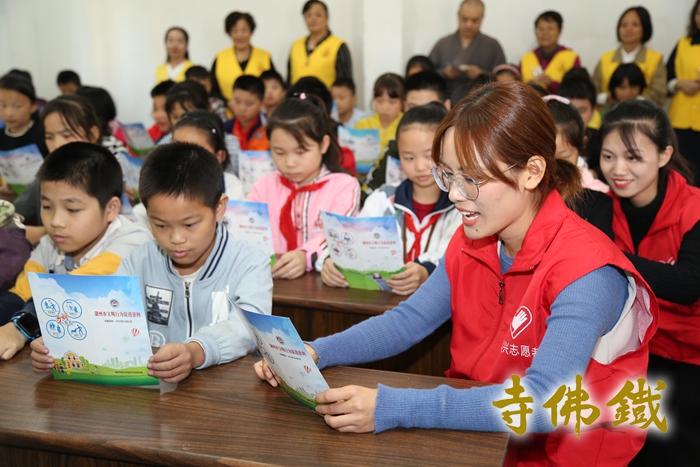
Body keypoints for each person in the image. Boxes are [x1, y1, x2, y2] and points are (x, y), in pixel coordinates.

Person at [256, 81, 659, 465]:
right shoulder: (473, 239)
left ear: (532, 172)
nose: (453, 194)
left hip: (560, 455)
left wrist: (391, 406)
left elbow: (542, 402)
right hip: (478, 432)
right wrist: (316, 352)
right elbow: (409, 320)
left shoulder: (587, 271)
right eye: (447, 174)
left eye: (472, 179)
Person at [31, 143, 272, 383]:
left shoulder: (250, 264)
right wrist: (63, 344)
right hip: (156, 392)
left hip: (227, 393)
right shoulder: (138, 261)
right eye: (161, 225)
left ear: (219, 208)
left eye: (190, 224)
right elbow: (108, 318)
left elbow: (248, 329)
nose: (176, 239)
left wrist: (195, 351)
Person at [597, 100, 700, 466]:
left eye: (633, 157)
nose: (618, 170)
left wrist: (612, 257)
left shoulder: (693, 208)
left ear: (664, 155)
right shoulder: (600, 207)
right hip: (632, 351)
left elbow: (689, 284)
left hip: (689, 354)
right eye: (608, 157)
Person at [0, 142, 151, 359]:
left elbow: (71, 293)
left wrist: (18, 329)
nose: (56, 221)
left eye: (72, 209)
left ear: (111, 209)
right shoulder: (51, 243)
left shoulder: (132, 244)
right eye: (47, 206)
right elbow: (21, 293)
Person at [322, 103, 460, 296]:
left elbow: (455, 254)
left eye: (429, 155)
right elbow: (353, 237)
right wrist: (331, 261)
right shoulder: (383, 198)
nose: (420, 166)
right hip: (382, 299)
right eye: (409, 158)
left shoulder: (460, 203)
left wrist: (425, 271)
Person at [247, 96, 360, 280]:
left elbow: (339, 233)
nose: (290, 163)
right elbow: (246, 234)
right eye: (279, 152)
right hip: (271, 283)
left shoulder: (344, 186)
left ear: (323, 145)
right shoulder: (263, 187)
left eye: (301, 152)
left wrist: (305, 255)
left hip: (324, 285)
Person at [133, 110, 245, 228]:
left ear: (219, 157)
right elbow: (138, 215)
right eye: (177, 150)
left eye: (196, 152)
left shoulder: (231, 186)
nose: (184, 159)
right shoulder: (162, 183)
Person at [362, 71, 450, 203]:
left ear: (447, 106)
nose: (419, 116)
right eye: (413, 108)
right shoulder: (393, 149)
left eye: (430, 109)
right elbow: (368, 194)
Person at [428, 0, 505, 104]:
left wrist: (482, 74)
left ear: (482, 17)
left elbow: (504, 79)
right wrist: (444, 73)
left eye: (475, 20)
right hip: (445, 105)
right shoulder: (443, 44)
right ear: (458, 15)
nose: (469, 25)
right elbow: (427, 76)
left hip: (482, 106)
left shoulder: (492, 45)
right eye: (464, 19)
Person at [592, 7, 666, 107]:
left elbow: (659, 94)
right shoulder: (605, 58)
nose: (628, 29)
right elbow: (593, 90)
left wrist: (632, 101)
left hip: (643, 114)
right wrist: (608, 98)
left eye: (635, 24)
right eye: (624, 25)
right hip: (608, 113)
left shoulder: (656, 59)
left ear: (645, 28)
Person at [667, 0, 700, 185]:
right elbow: (667, 79)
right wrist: (680, 83)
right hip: (680, 120)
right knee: (681, 176)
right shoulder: (683, 44)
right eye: (699, 13)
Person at [211, 12, 274, 105]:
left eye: (244, 30)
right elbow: (213, 89)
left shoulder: (265, 56)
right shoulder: (220, 57)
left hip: (260, 111)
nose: (240, 35)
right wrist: (228, 103)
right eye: (235, 31)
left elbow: (273, 85)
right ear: (229, 33)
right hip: (227, 111)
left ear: (251, 31)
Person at [288, 0, 352, 89]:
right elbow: (289, 80)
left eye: (318, 15)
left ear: (327, 18)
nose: (313, 19)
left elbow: (345, 84)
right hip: (298, 97)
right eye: (308, 15)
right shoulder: (296, 45)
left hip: (326, 97)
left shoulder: (338, 45)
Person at [519, 11, 581, 94]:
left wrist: (552, 84)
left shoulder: (571, 58)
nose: (545, 33)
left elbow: (578, 91)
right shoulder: (525, 58)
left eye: (550, 28)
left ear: (559, 31)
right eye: (541, 29)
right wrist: (528, 86)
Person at [0, 74, 49, 158]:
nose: (9, 113)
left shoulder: (44, 136)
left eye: (17, 106)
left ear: (33, 106)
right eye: (2, 105)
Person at [355, 73, 404, 154]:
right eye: (379, 101)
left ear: (402, 101)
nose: (385, 107)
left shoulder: (407, 125)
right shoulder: (362, 125)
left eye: (392, 102)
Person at [224, 75, 269, 151]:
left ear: (262, 105)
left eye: (248, 104)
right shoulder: (225, 128)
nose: (241, 108)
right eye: (237, 101)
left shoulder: (269, 129)